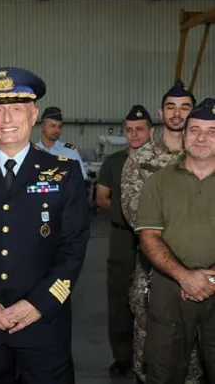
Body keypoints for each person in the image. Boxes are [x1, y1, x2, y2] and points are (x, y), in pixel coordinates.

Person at [0, 67, 90, 383]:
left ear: (34, 114)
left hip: (43, 324)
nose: (7, 119)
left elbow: (73, 246)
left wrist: (39, 303)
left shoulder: (63, 173)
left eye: (16, 109)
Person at [120, 81, 202, 383]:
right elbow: (136, 216)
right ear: (160, 112)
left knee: (197, 359)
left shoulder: (206, 158)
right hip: (154, 276)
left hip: (204, 272)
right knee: (153, 355)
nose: (177, 114)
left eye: (185, 108)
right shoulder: (140, 160)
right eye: (171, 107)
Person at [135, 97, 215, 383]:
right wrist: (185, 277)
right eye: (194, 130)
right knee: (163, 370)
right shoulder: (158, 182)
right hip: (169, 288)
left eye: (212, 131)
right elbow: (149, 237)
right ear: (185, 134)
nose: (201, 138)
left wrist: (209, 279)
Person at [95, 104, 153, 379]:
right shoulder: (114, 162)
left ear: (150, 131)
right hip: (121, 235)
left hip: (155, 237)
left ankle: (152, 355)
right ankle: (122, 356)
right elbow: (101, 197)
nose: (134, 135)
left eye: (140, 130)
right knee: (119, 295)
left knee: (154, 296)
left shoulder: (162, 161)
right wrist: (123, 213)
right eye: (129, 130)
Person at [36, 106, 88, 181]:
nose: (57, 130)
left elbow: (82, 179)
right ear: (42, 127)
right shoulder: (33, 151)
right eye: (53, 126)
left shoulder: (70, 151)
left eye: (59, 127)